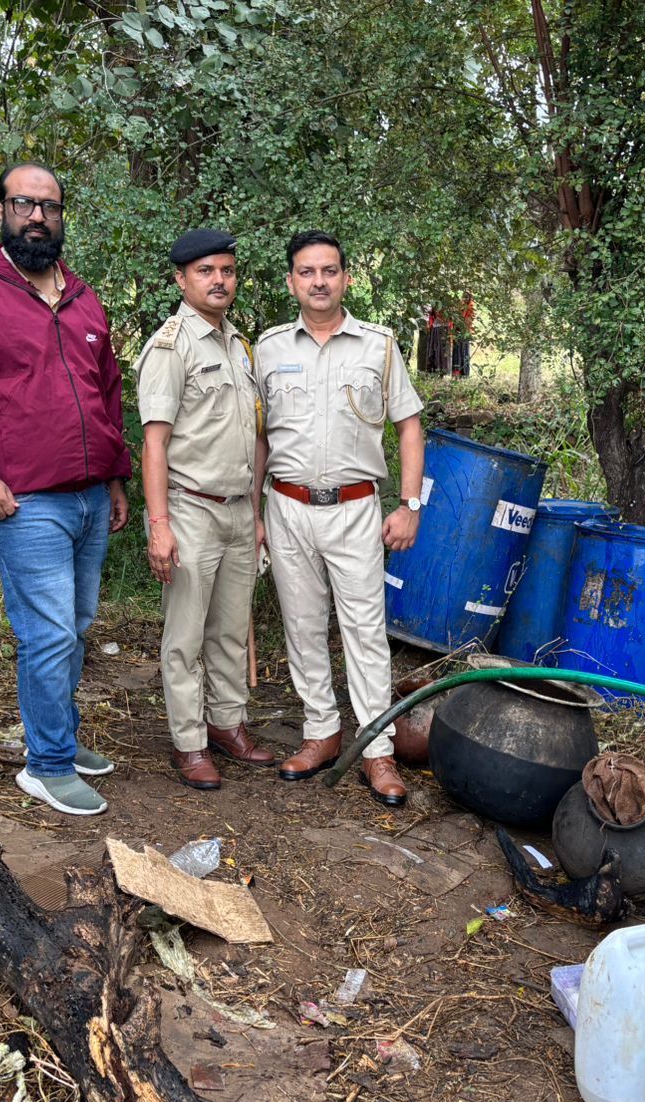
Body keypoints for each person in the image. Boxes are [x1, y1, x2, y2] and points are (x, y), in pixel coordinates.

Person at [0, 163, 131, 817]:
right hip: (26, 499)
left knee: (77, 627)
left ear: (62, 216)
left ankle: (55, 736)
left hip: (91, 496)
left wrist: (116, 479)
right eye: (23, 204)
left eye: (49, 206)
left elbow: (108, 393)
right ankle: (47, 765)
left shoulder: (84, 298)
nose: (37, 216)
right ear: (2, 211)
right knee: (49, 634)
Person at [254, 230, 425, 806]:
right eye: (307, 272)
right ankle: (321, 733)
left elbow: (408, 425)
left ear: (347, 278)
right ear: (291, 282)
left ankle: (376, 751)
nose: (319, 281)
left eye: (329, 271)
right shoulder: (270, 348)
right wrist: (256, 510)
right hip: (286, 507)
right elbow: (258, 437)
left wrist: (409, 504)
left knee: (365, 633)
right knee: (302, 627)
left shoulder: (377, 345)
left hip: (355, 508)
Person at [137, 228, 273, 790]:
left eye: (227, 270)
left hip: (240, 510)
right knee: (186, 637)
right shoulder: (171, 346)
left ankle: (227, 723)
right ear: (181, 278)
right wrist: (160, 525)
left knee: (228, 632)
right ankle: (189, 742)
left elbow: (256, 435)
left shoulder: (239, 344)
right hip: (190, 510)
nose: (219, 280)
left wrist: (258, 512)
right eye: (205, 271)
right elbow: (154, 444)